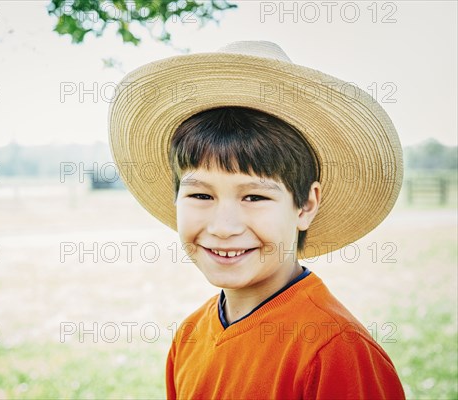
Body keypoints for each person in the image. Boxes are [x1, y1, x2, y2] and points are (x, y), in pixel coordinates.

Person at [108, 41, 405, 399]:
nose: (223, 226)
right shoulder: (189, 336)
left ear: (305, 205)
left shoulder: (335, 351)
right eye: (201, 195)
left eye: (255, 197)